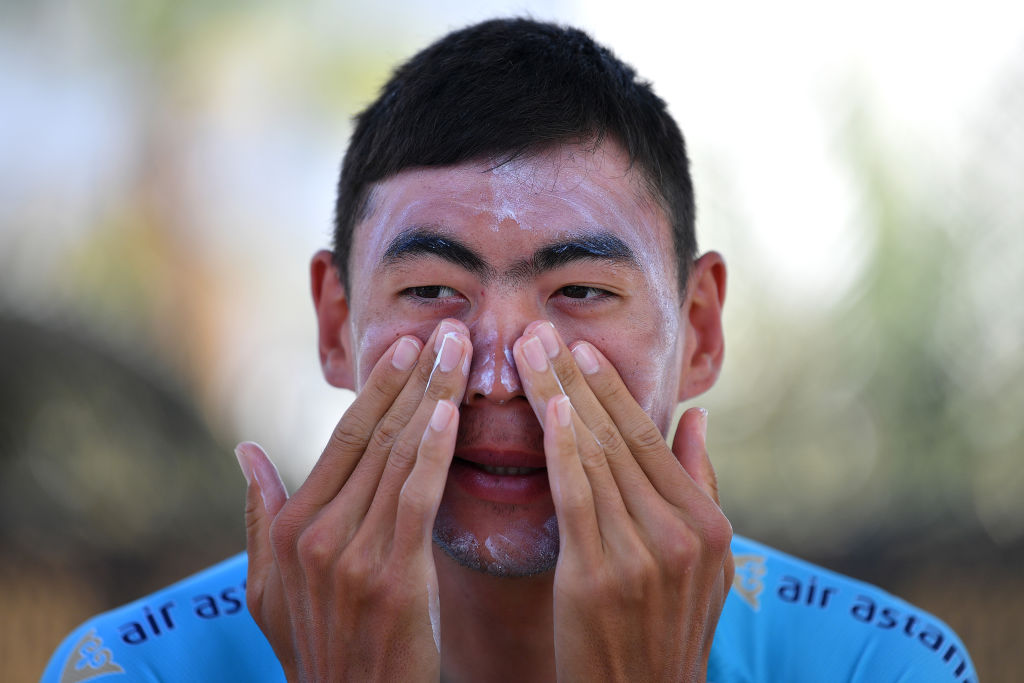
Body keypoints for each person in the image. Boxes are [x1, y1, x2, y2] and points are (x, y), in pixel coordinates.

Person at [44, 17, 976, 682]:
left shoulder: (880, 663)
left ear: (699, 330)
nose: (497, 375)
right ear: (335, 324)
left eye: (578, 292)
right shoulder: (133, 666)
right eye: (432, 293)